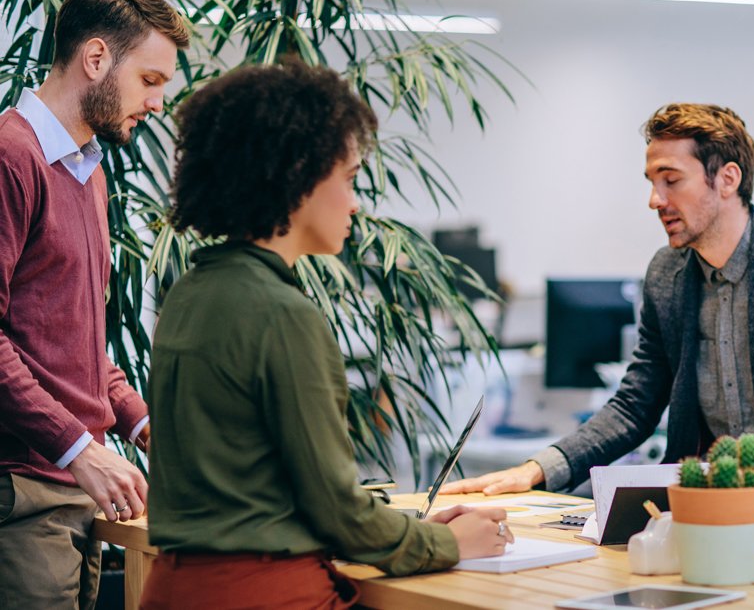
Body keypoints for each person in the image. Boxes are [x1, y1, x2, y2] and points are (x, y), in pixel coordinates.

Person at [137, 61, 514, 608]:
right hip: (267, 595)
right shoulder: (281, 311)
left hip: (176, 587)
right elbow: (336, 510)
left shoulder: (190, 293)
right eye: (350, 176)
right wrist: (446, 541)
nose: (356, 201)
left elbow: (264, 489)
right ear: (299, 172)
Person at [444, 103, 754, 499]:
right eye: (652, 181)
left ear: (727, 179)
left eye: (671, 180)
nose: (655, 199)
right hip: (709, 502)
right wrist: (535, 469)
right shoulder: (667, 274)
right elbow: (635, 405)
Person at [0, 0, 189, 608]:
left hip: (81, 491)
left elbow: (72, 341)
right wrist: (80, 447)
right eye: (151, 81)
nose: (158, 103)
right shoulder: (10, 156)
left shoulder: (87, 171)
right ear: (98, 58)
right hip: (26, 493)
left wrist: (143, 426)